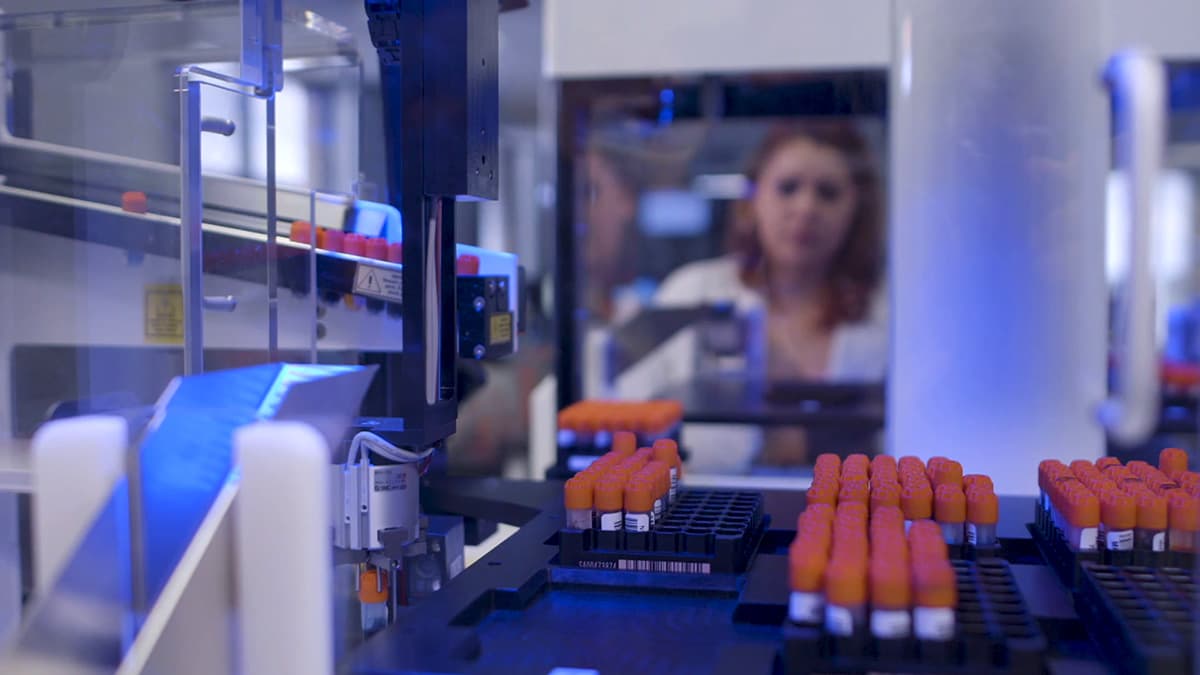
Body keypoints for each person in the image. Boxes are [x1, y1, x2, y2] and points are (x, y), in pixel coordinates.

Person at [655, 121, 887, 465]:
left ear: (856, 210)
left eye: (828, 192)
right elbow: (637, 429)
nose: (806, 208)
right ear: (753, 200)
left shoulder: (887, 312)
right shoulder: (692, 290)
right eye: (788, 187)